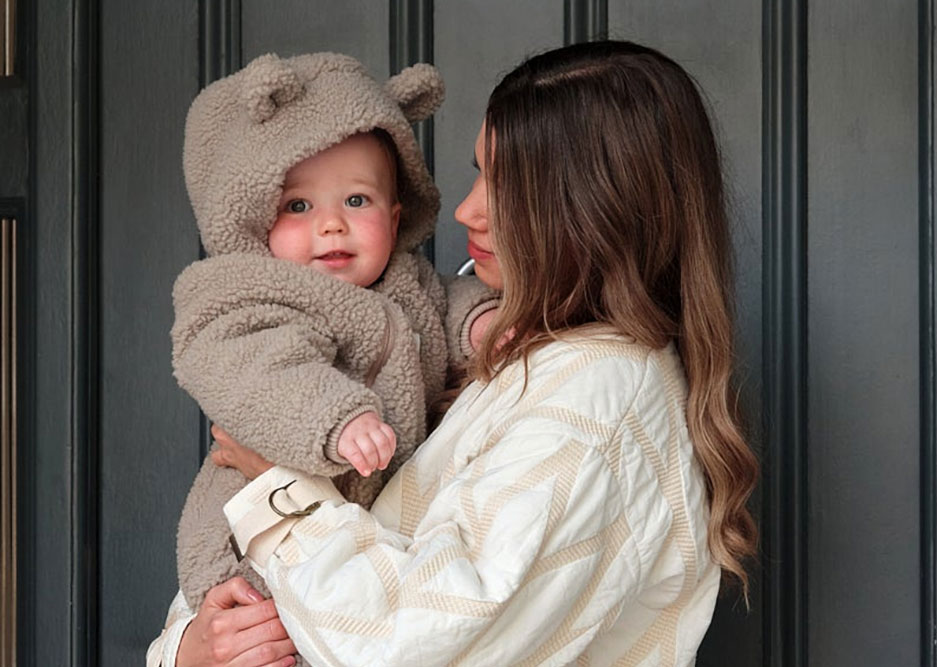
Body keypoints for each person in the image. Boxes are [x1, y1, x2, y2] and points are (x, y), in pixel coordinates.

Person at [149, 39, 759, 667]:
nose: (467, 209)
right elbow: (244, 589)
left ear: (599, 209)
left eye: (511, 186)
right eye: (479, 171)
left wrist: (278, 493)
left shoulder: (598, 398)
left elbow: (414, 647)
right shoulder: (497, 351)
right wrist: (193, 649)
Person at [167, 52, 467, 624]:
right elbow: (252, 370)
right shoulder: (244, 294)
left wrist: (482, 327)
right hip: (253, 538)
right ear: (252, 216)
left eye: (357, 200)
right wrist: (337, 418)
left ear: (397, 216)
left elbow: (450, 312)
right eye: (298, 206)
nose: (332, 224)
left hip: (366, 544)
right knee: (266, 636)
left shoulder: (410, 284)